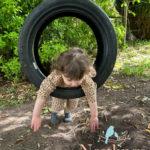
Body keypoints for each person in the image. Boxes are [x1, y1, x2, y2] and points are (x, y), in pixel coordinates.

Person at [31, 47, 99, 132]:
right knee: (57, 104)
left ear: (84, 73)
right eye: (69, 80)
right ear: (61, 72)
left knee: (72, 104)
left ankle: (67, 113)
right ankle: (54, 113)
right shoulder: (56, 76)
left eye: (78, 80)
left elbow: (92, 97)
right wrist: (36, 115)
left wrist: (94, 116)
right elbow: (43, 93)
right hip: (59, 91)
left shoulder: (86, 79)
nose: (74, 84)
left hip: (74, 94)